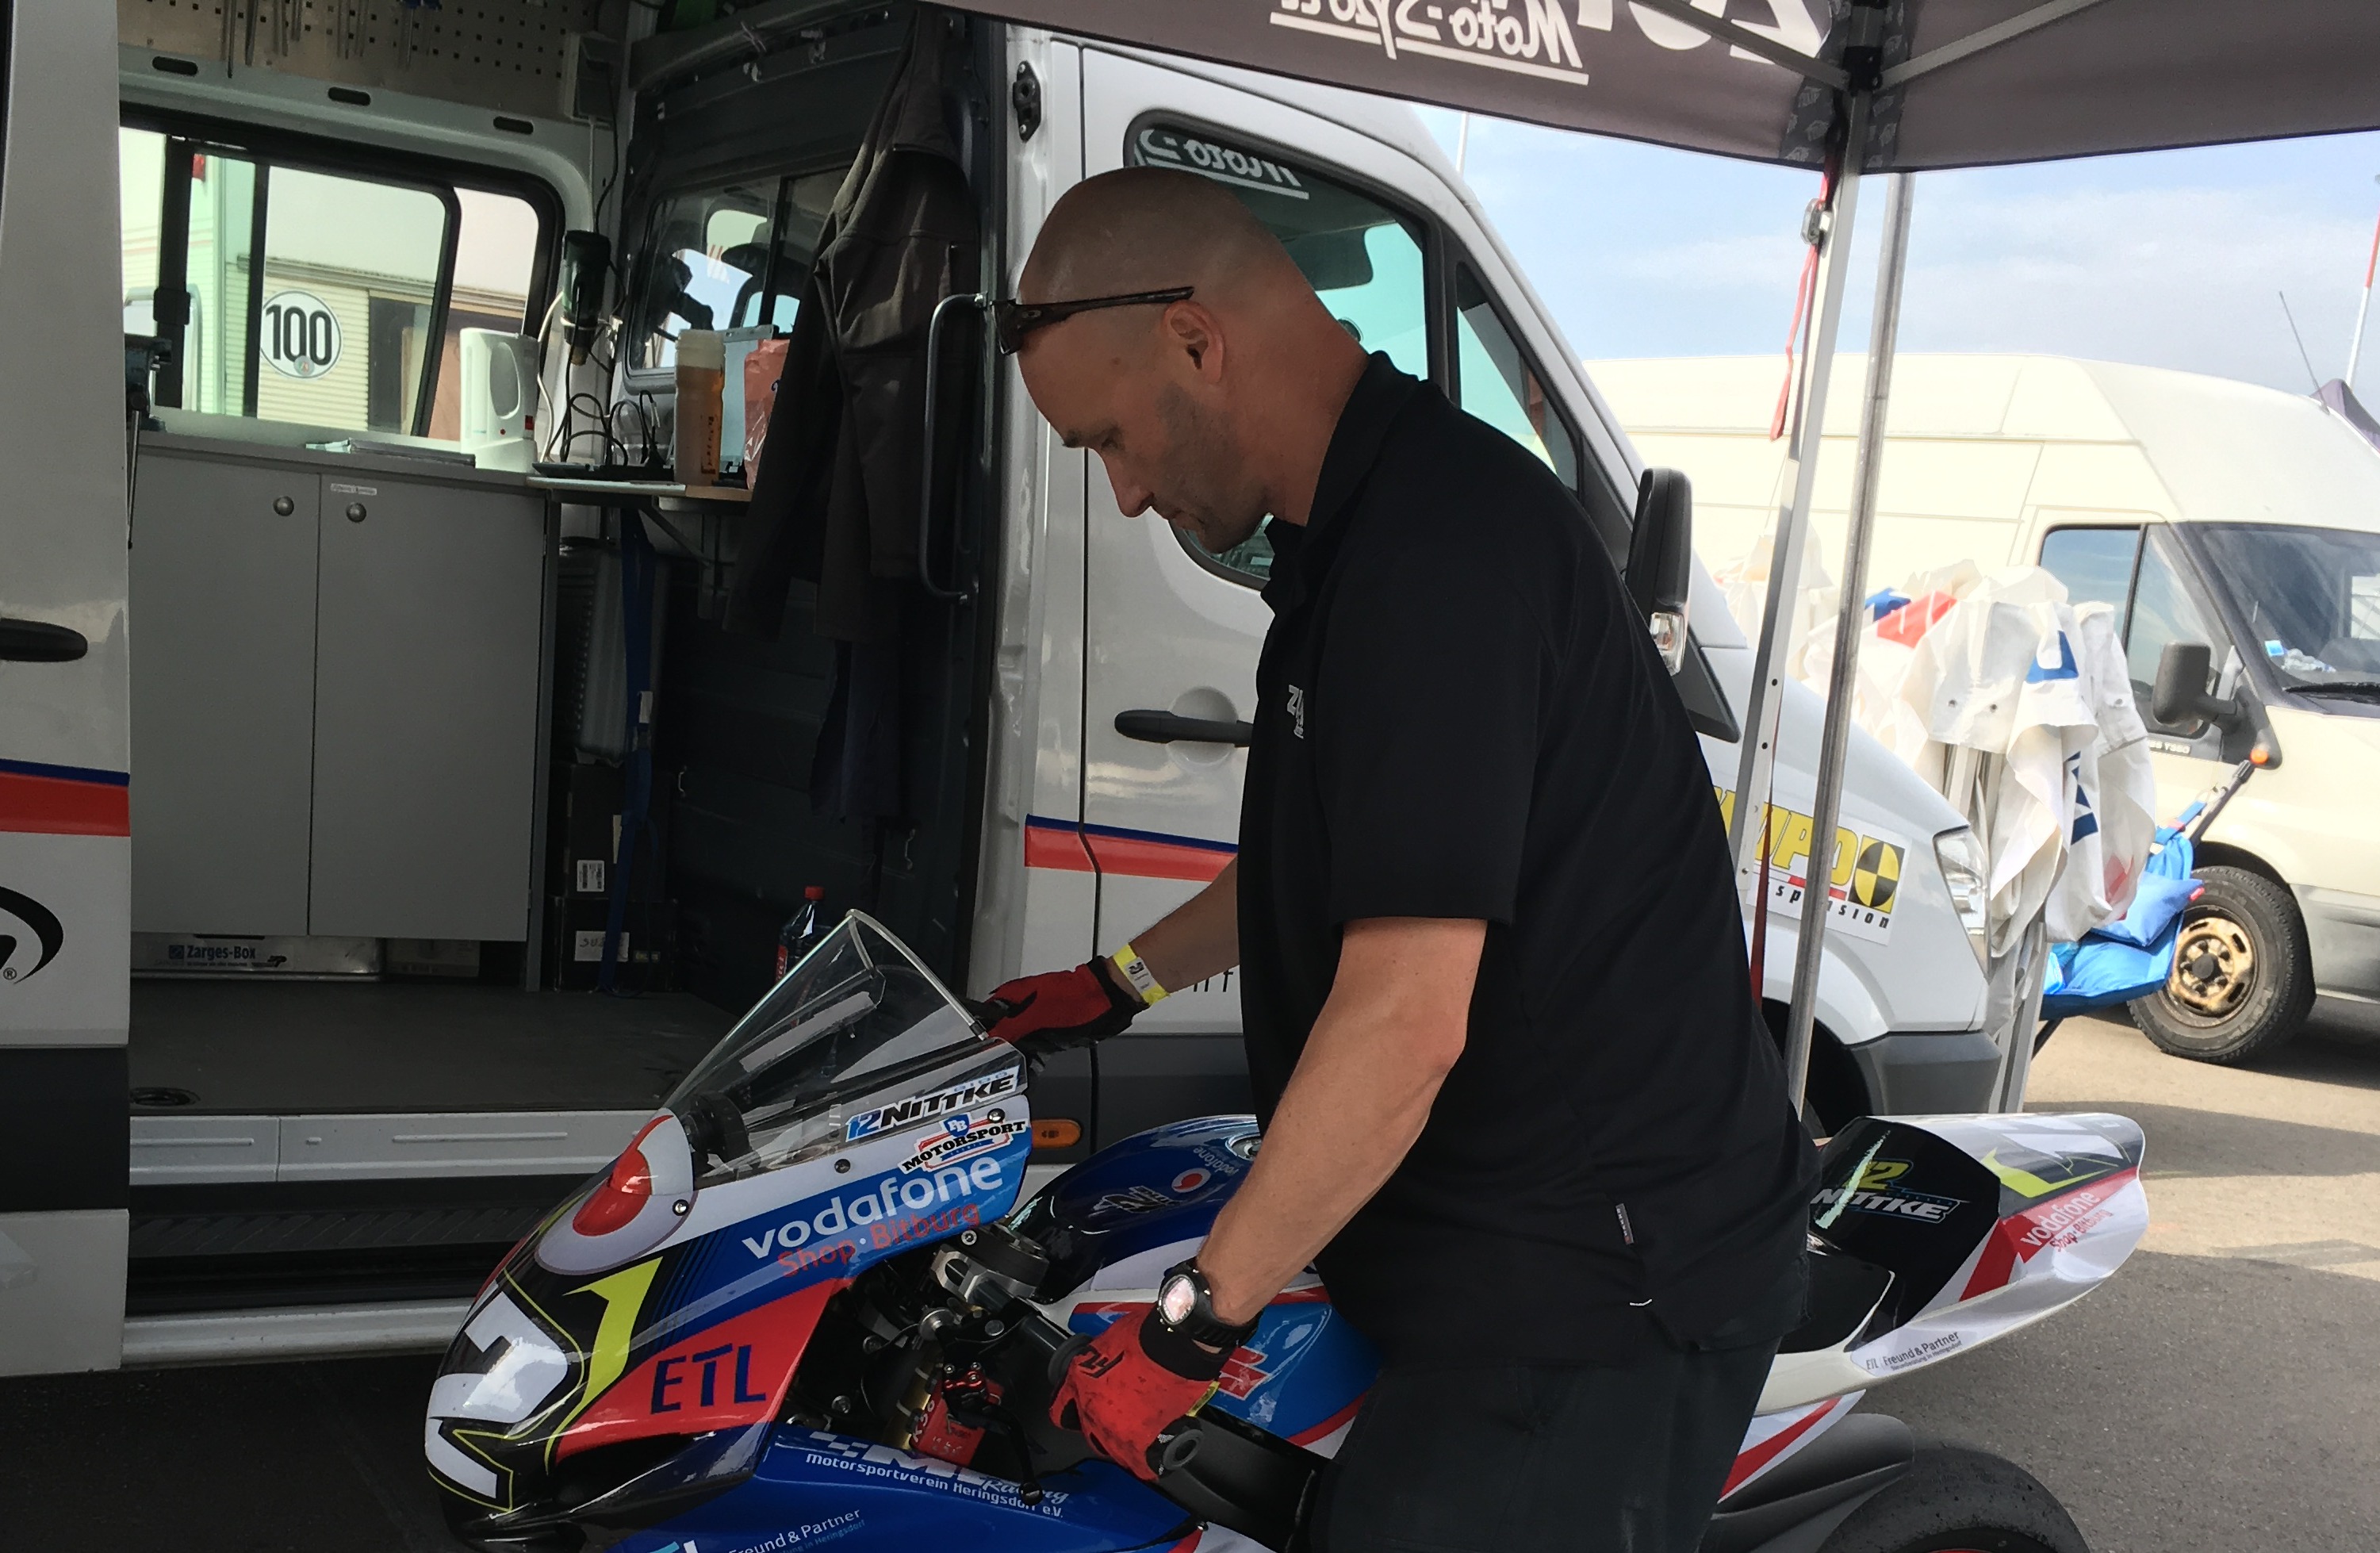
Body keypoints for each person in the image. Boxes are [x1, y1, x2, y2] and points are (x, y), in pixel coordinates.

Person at [981, 166, 1816, 1552]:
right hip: (1476, 1233)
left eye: (1110, 439)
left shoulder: (1441, 558)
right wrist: (1117, 980)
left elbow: (1405, 1017)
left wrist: (1194, 1321)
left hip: (1598, 1280)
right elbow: (1341, 860)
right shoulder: (1343, 539)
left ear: (1194, 340)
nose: (1122, 492)